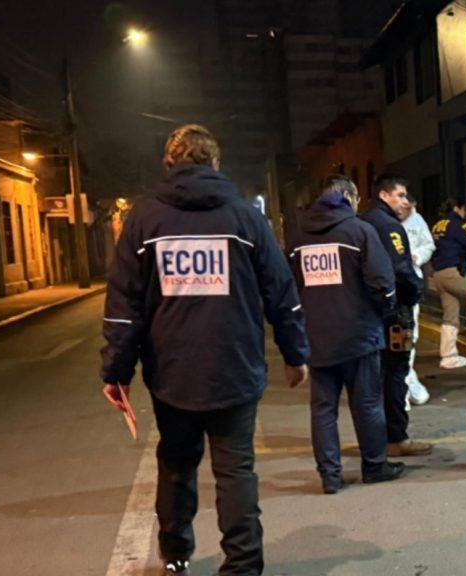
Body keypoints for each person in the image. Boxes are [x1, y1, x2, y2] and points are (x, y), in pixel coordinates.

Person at [100, 124, 310, 576]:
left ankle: (176, 556)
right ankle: (243, 564)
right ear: (215, 163)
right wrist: (296, 354)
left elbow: (123, 305)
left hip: (172, 372)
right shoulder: (244, 218)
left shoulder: (144, 220)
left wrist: (116, 371)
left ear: (169, 164)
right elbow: (281, 291)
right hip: (236, 366)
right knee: (236, 470)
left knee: (176, 465)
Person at [288, 175, 407, 494]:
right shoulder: (359, 231)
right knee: (367, 404)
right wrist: (384, 312)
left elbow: (289, 286)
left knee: (323, 408)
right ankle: (375, 465)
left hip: (316, 336)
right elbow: (383, 283)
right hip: (359, 333)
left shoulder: (299, 237)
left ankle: (330, 475)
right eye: (355, 198)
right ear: (346, 196)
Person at [360, 174, 433, 457]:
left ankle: (374, 439)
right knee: (397, 372)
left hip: (370, 314)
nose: (404, 201)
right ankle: (396, 437)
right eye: (400, 195)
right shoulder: (390, 227)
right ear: (384, 195)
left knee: (375, 377)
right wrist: (416, 292)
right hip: (396, 315)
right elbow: (401, 270)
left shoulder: (362, 223)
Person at [430, 199, 466, 369]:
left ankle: (448, 356)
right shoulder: (458, 224)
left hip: (439, 275)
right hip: (454, 273)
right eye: (464, 210)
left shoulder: (437, 226)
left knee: (450, 316)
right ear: (457, 209)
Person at [401, 194, 436, 406]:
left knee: (409, 336)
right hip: (393, 285)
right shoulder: (386, 221)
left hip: (411, 282)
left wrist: (418, 256)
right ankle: (402, 387)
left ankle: (406, 384)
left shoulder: (418, 222)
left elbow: (428, 246)